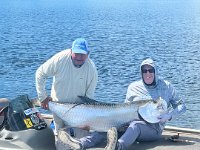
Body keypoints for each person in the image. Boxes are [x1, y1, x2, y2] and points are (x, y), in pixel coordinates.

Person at [35, 38, 113, 150]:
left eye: (82, 54)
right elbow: (40, 73)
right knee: (61, 141)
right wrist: (42, 97)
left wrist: (88, 120)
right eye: (76, 53)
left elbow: (88, 100)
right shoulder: (60, 59)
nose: (79, 57)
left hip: (79, 114)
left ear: (88, 54)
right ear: (71, 51)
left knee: (81, 143)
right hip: (58, 108)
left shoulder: (92, 70)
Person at [111, 58, 187, 150]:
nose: (148, 74)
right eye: (144, 71)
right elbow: (125, 108)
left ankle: (117, 147)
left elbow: (182, 106)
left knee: (135, 125)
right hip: (130, 124)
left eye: (151, 70)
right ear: (141, 72)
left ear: (155, 72)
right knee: (110, 124)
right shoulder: (133, 87)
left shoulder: (166, 86)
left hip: (154, 129)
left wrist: (169, 116)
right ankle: (88, 142)